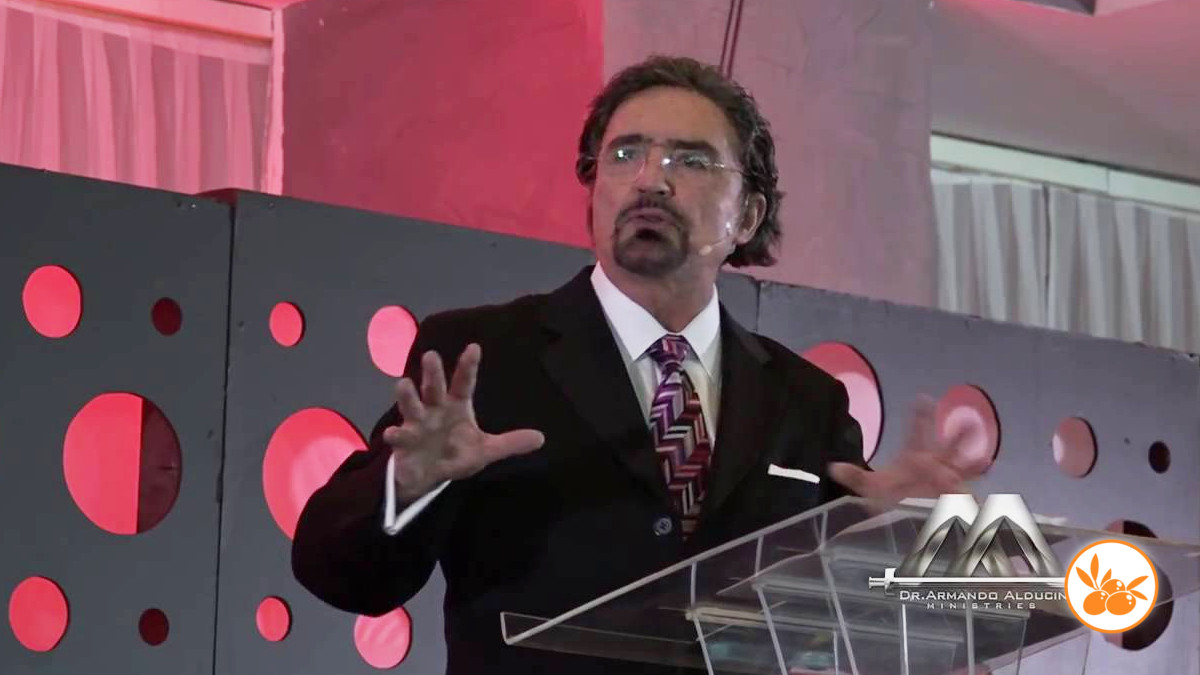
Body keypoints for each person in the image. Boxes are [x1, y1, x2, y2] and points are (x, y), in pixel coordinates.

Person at [292, 55, 982, 675]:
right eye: (625, 154)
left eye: (691, 161)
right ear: (594, 189)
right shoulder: (485, 354)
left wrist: (910, 539)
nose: (650, 180)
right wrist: (409, 483)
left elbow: (862, 629)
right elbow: (339, 574)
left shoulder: (808, 400)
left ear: (747, 215)